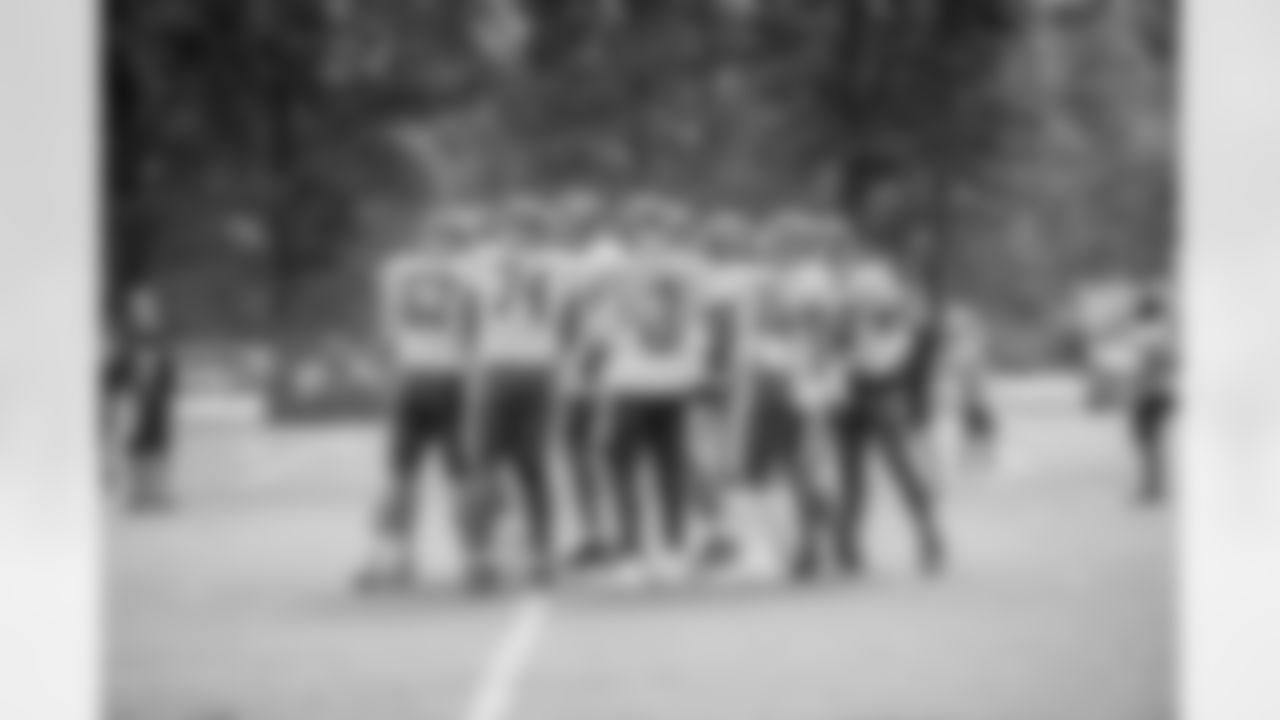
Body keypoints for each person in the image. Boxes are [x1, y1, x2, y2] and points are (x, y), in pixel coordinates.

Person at [356, 218, 484, 593]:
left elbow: (385, 330)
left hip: (412, 377)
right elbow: (477, 332)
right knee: (460, 477)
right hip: (449, 379)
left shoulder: (397, 271)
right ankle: (474, 558)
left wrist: (385, 373)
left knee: (402, 475)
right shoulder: (469, 275)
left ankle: (391, 556)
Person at [594, 221, 711, 586]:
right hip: (674, 382)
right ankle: (673, 551)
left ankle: (631, 554)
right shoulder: (691, 272)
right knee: (671, 468)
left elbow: (602, 331)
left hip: (631, 383)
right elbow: (701, 326)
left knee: (622, 468)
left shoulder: (620, 274)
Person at [465, 210, 566, 587]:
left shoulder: (482, 262)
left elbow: (466, 308)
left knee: (485, 465)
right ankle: (541, 554)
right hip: (539, 368)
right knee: (533, 467)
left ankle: (483, 556)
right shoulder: (556, 266)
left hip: (499, 368)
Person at [833, 259, 946, 576]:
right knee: (877, 473)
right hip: (867, 393)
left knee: (877, 472)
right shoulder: (887, 316)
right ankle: (852, 543)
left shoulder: (888, 318)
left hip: (873, 392)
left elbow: (898, 356)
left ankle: (851, 544)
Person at [110, 284, 178, 513]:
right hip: (135, 399)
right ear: (132, 312)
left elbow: (169, 367)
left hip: (156, 399)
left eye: (149, 308)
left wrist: (167, 387)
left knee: (157, 445)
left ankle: (156, 492)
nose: (145, 313)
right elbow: (117, 371)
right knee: (136, 446)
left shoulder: (161, 337)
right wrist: (120, 394)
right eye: (140, 309)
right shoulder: (126, 339)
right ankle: (138, 493)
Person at [1126, 284, 1175, 505]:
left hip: (1147, 394)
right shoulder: (1164, 334)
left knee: (1147, 443)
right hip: (1162, 392)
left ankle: (1150, 489)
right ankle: (1156, 487)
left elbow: (1142, 367)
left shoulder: (1146, 336)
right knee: (1154, 442)